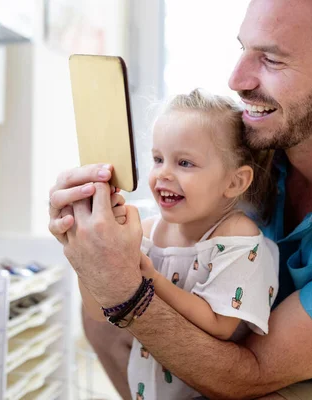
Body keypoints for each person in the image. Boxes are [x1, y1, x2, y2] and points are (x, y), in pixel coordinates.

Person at [48, 0, 312, 399]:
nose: (236, 79)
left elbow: (249, 376)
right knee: (102, 319)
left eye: (272, 59)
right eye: (244, 49)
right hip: (244, 347)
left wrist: (127, 287)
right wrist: (93, 238)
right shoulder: (253, 140)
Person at [77, 88, 280, 400]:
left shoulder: (237, 237)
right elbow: (96, 311)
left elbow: (219, 324)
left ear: (235, 182)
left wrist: (151, 281)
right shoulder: (146, 231)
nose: (163, 174)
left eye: (184, 163)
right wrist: (88, 255)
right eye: (158, 159)